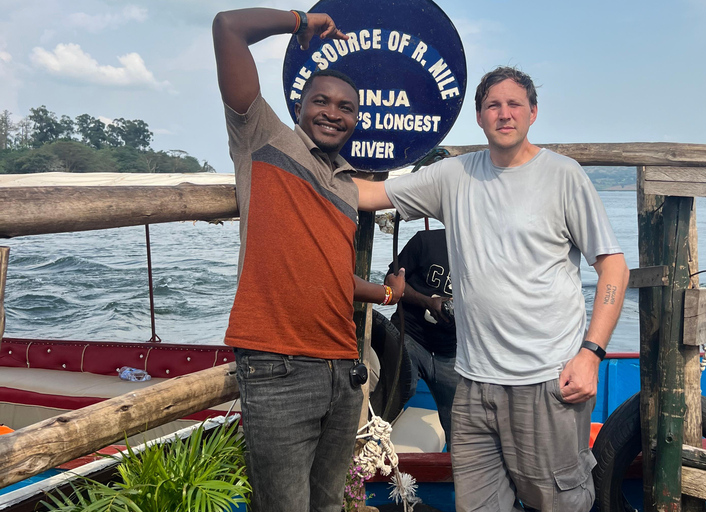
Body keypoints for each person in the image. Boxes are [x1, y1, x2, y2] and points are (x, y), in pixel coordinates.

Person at [355, 66, 630, 512]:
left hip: (547, 380)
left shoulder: (564, 175)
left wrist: (591, 354)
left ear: (533, 113)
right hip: (473, 385)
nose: (504, 114)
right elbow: (371, 195)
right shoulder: (453, 175)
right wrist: (303, 171)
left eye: (514, 104)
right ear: (480, 118)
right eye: (493, 106)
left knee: (560, 504)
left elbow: (614, 268)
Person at [212, 8, 405, 512]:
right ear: (299, 106)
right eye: (321, 101)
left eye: (345, 107)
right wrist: (299, 20)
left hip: (343, 368)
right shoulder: (263, 138)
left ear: (356, 120)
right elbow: (227, 27)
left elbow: (330, 277)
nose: (332, 112)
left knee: (327, 505)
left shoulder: (345, 184)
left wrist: (388, 293)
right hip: (277, 366)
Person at [387, 228, 459, 449]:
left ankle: (456, 475)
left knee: (460, 424)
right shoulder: (426, 241)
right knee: (396, 392)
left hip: (451, 351)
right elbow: (391, 279)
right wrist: (427, 301)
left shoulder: (486, 258)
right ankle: (367, 456)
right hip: (410, 334)